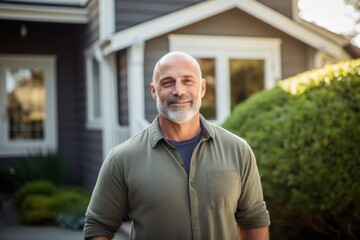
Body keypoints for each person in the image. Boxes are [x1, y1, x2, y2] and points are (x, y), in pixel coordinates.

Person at [83, 51, 270, 240]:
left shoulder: (238, 151)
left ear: (202, 88)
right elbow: (98, 226)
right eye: (167, 82)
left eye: (188, 81)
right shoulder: (122, 158)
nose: (178, 91)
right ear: (154, 91)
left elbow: (253, 220)